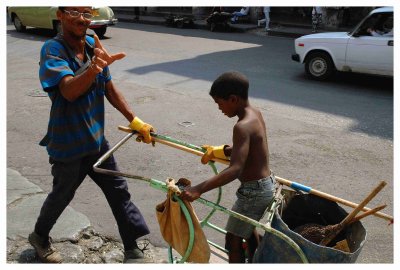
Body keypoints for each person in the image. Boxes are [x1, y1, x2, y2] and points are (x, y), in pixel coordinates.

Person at [29, 6, 154, 263]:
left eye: (87, 13)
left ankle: (131, 246)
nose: (82, 18)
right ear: (60, 14)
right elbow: (68, 91)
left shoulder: (90, 43)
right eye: (75, 11)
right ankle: (39, 236)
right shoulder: (53, 49)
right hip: (69, 143)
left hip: (97, 141)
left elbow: (109, 87)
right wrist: (94, 66)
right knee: (62, 196)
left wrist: (136, 121)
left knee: (119, 191)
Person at [180, 71, 275, 263]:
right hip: (265, 184)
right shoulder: (255, 114)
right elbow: (250, 147)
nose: (219, 108)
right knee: (247, 230)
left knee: (232, 237)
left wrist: (199, 188)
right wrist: (220, 150)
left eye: (219, 103)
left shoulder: (241, 126)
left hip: (254, 192)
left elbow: (235, 170)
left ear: (233, 99)